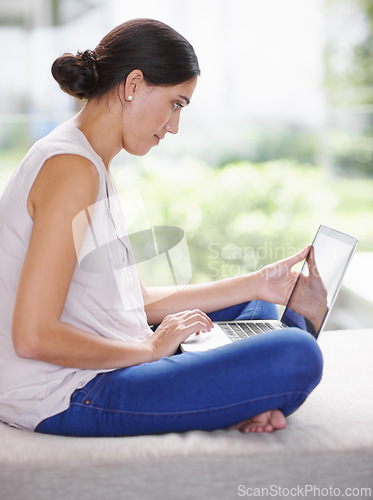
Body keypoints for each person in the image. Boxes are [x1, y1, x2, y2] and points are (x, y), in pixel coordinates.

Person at [0, 19, 323, 437]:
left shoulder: (90, 160)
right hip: (67, 391)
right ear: (133, 84)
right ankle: (247, 396)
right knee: (296, 354)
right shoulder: (71, 170)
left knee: (256, 311)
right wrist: (150, 350)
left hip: (104, 355)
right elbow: (33, 337)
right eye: (176, 103)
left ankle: (239, 397)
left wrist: (258, 283)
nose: (174, 126)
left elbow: (138, 301)